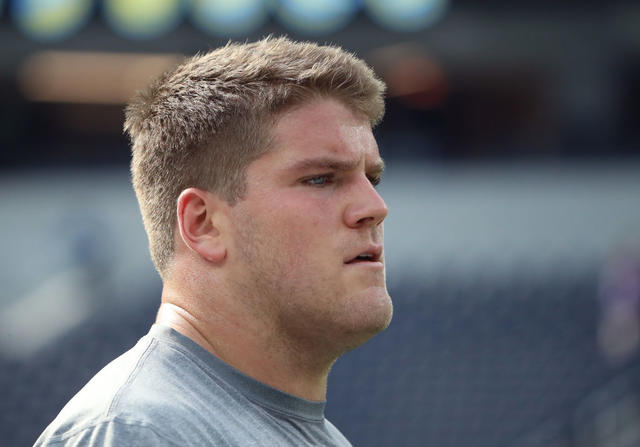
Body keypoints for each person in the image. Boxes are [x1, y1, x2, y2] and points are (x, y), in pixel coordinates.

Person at [35, 36, 392, 446]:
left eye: (373, 178)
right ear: (203, 224)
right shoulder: (139, 431)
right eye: (320, 179)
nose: (374, 207)